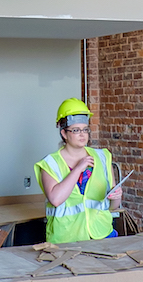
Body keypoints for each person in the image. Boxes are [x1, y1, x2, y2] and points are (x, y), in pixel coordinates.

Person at [34, 98, 122, 243]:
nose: (82, 134)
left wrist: (117, 196)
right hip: (66, 239)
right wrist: (78, 169)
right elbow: (56, 199)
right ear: (64, 133)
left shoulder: (102, 157)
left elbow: (113, 206)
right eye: (76, 130)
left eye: (85, 129)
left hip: (102, 235)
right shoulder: (50, 163)